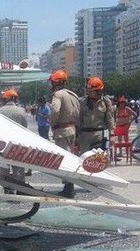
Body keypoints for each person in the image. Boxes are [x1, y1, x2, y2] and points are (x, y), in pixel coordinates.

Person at [48, 69, 80, 198]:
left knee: (64, 160)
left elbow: (55, 110)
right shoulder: (73, 95)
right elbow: (79, 113)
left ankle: (69, 187)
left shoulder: (58, 95)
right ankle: (69, 185)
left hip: (62, 131)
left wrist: (52, 122)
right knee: (70, 157)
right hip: (72, 129)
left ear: (56, 82)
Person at [0, 88, 27, 189]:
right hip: (18, 143)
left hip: (4, 143)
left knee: (4, 167)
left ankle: (7, 188)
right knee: (18, 167)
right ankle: (20, 189)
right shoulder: (21, 111)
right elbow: (25, 128)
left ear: (5, 99)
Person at [78, 76, 114, 155]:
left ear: (98, 91)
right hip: (85, 135)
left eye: (92, 91)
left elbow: (110, 119)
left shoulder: (105, 102)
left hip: (99, 134)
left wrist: (111, 134)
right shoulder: (83, 102)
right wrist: (77, 135)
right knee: (84, 158)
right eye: (88, 91)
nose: (89, 93)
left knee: (99, 158)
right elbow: (79, 119)